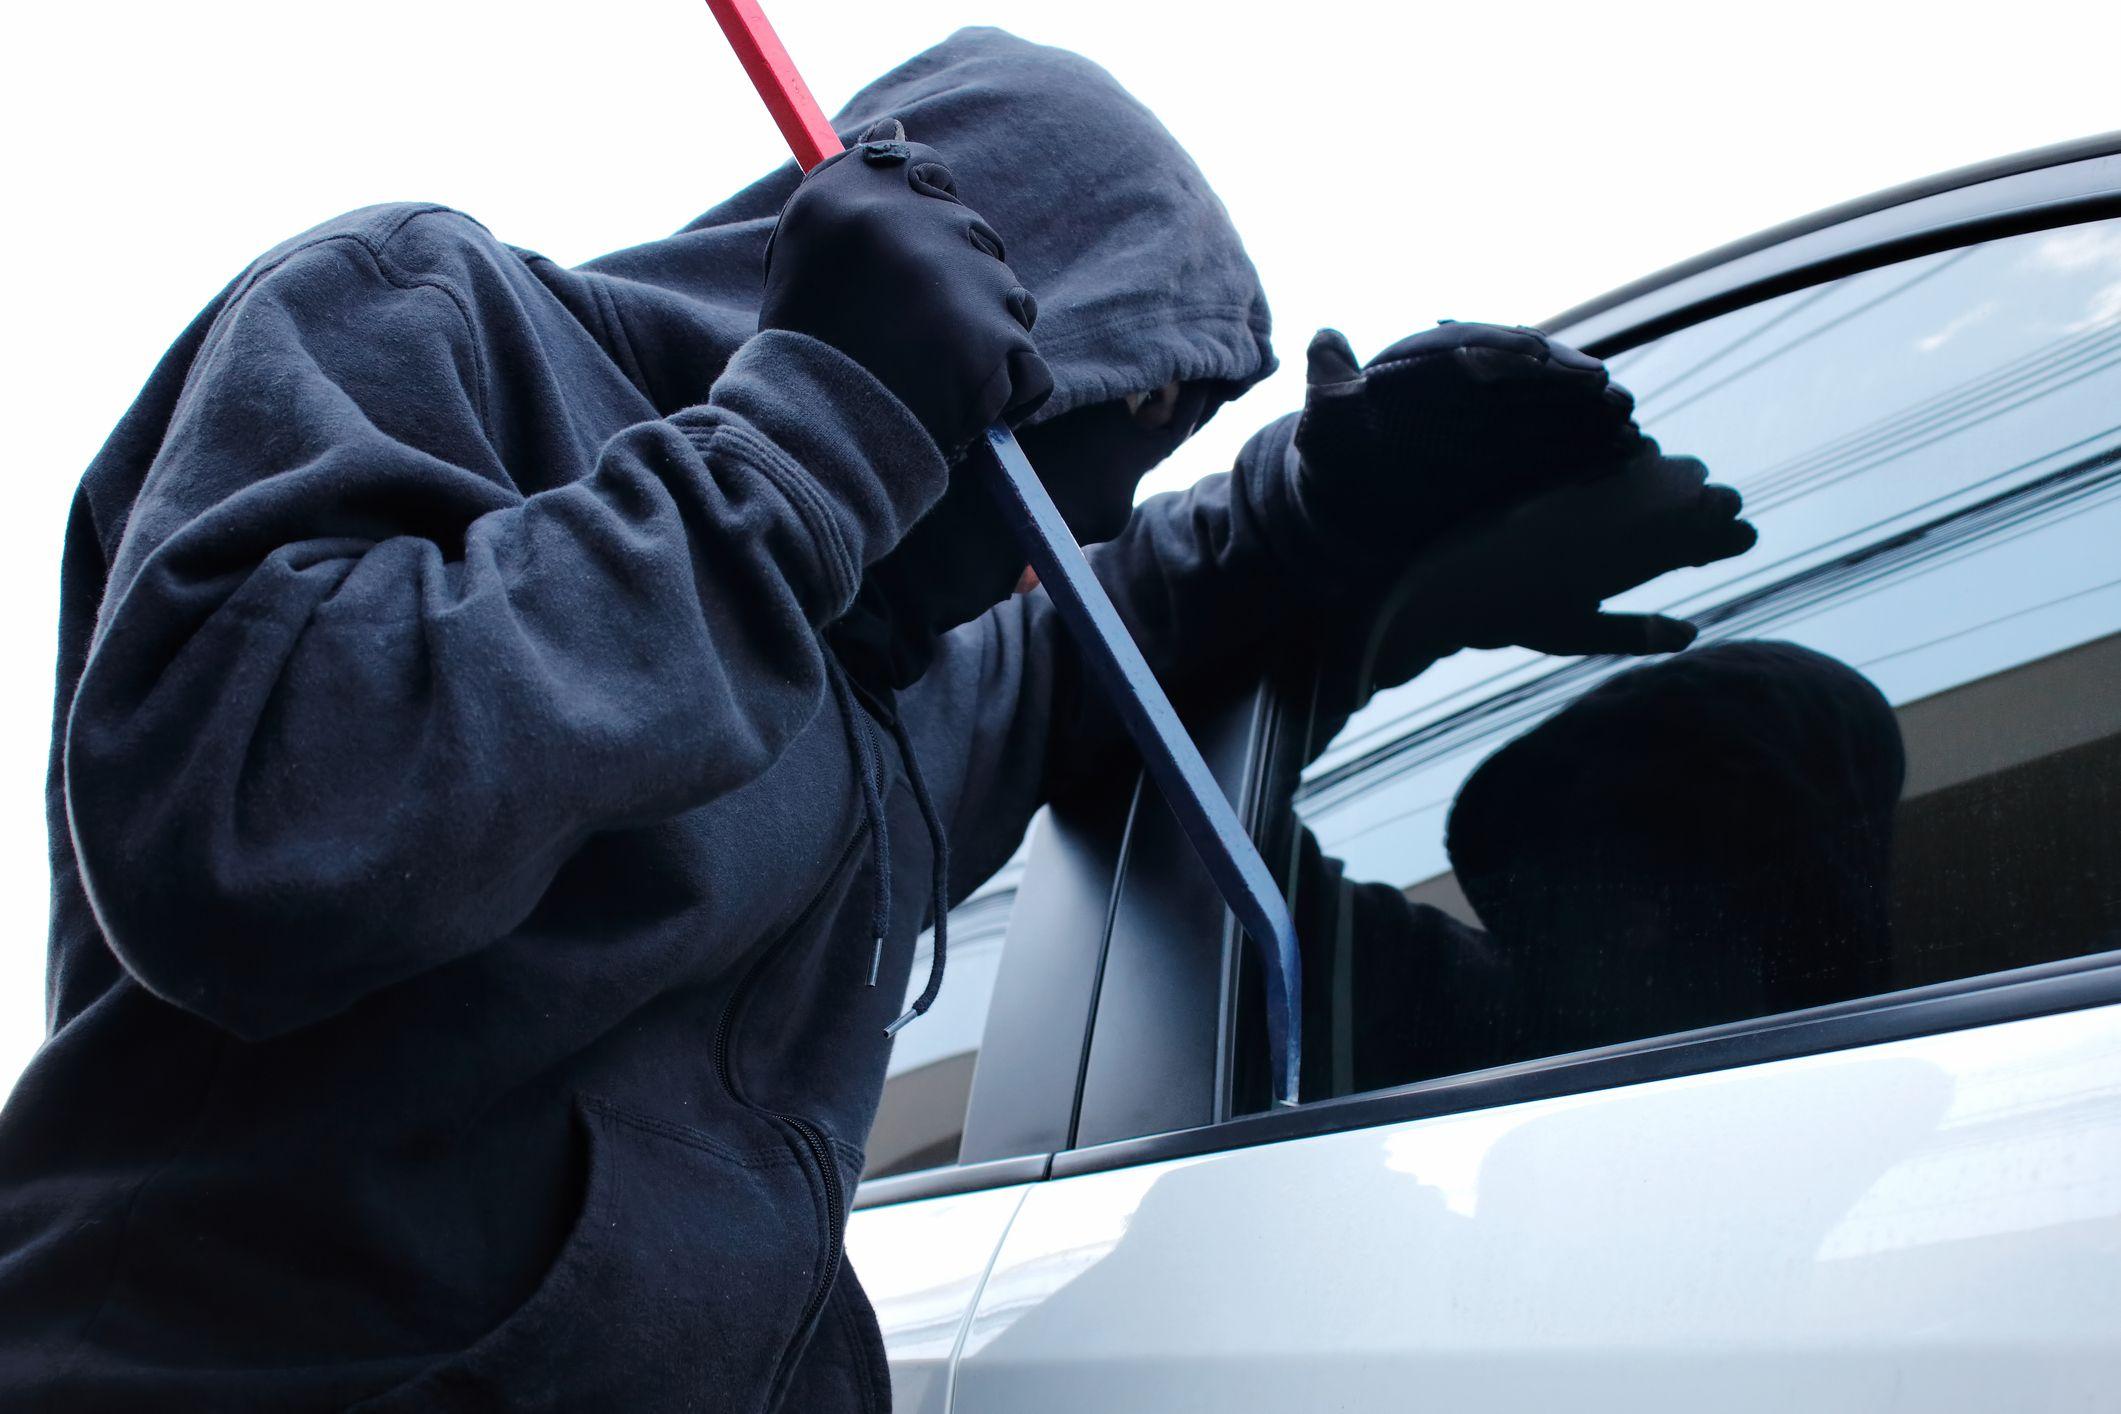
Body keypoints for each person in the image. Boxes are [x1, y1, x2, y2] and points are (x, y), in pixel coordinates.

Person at [0, 28, 1752, 1411]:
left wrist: (1343, 512)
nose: (1065, 534)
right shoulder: (429, 313)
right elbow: (241, 822)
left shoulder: (920, 658)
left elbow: (1119, 630)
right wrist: (815, 432)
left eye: (1132, 460)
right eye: (1092, 434)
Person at [1289, 639, 1906, 1099]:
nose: (1629, 915)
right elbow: (1220, 855)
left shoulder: (1858, 1082)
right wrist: (1393, 607)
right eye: (1588, 869)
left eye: (1681, 861)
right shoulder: (1467, 1010)